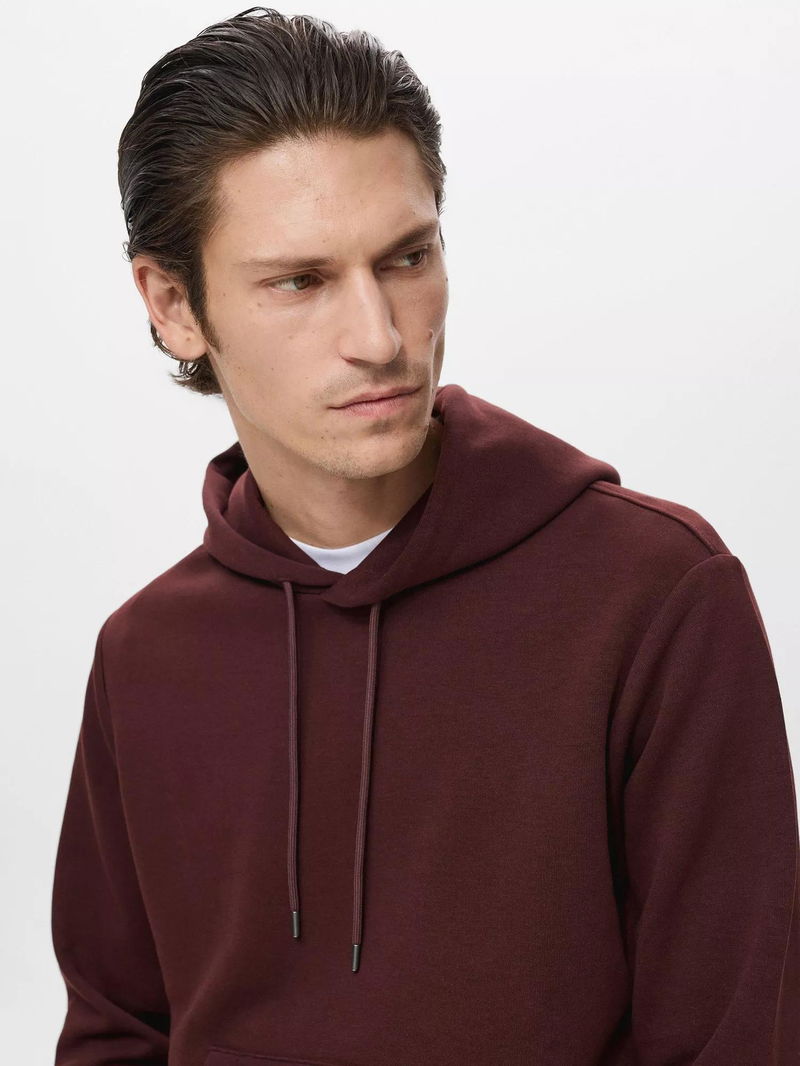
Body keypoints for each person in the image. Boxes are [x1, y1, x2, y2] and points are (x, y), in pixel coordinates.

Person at [50, 8, 799, 1066]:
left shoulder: (654, 597)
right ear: (173, 305)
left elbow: (732, 1039)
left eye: (406, 258)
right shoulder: (144, 655)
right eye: (300, 280)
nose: (380, 337)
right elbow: (114, 1032)